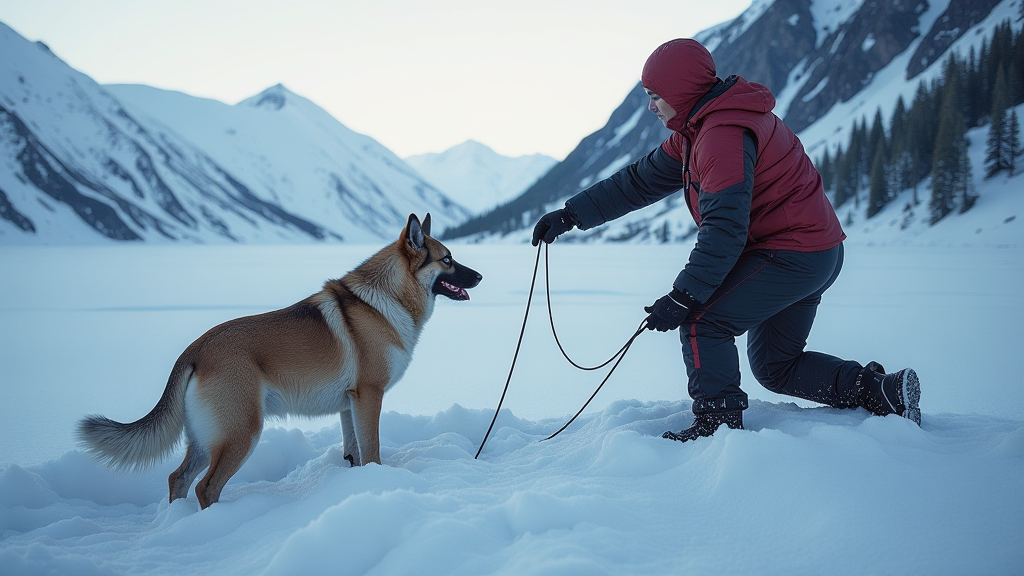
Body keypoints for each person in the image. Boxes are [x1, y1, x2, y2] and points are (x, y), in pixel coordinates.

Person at [531, 38, 920, 442]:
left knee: (702, 320)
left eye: (655, 96)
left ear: (680, 92)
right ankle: (882, 393)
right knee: (775, 366)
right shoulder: (698, 130)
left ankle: (717, 426)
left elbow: (724, 229)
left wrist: (684, 297)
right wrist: (572, 214)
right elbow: (641, 180)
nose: (651, 106)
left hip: (792, 254)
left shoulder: (721, 136)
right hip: (815, 252)